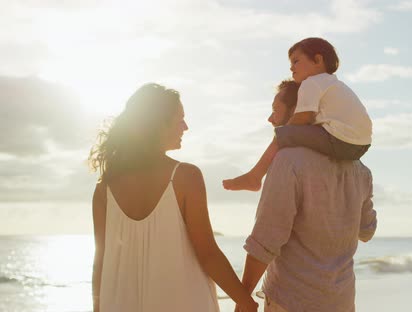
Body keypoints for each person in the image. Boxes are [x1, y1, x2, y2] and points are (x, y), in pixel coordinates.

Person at [89, 83, 257, 312]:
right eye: (179, 119)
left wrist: (97, 307)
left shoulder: (104, 188)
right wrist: (246, 302)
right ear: (158, 125)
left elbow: (101, 261)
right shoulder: (185, 176)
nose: (185, 127)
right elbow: (207, 253)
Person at [236, 80, 377, 311]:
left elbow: (266, 239)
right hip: (341, 301)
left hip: (292, 301)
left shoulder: (288, 160)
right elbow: (367, 231)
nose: (270, 119)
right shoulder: (360, 170)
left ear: (298, 111)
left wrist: (243, 298)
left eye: (275, 111)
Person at [223, 37, 372, 191]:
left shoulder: (311, 82)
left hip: (339, 140)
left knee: (283, 134)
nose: (291, 68)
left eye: (295, 61)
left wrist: (284, 134)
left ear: (317, 60)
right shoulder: (336, 84)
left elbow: (303, 117)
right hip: (361, 146)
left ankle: (254, 177)